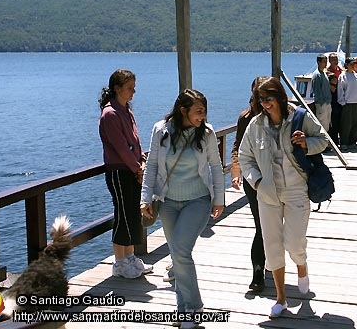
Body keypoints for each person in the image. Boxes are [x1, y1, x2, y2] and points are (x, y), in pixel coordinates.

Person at [238, 77, 328, 319]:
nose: (265, 104)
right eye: (261, 99)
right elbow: (244, 157)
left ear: (279, 96)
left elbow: (324, 140)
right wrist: (256, 181)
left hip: (297, 189)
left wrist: (306, 142)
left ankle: (301, 265)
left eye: (268, 98)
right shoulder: (256, 125)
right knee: (272, 246)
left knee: (294, 242)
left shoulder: (299, 116)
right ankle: (281, 298)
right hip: (267, 193)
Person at [140, 89, 225, 328]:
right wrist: (145, 197)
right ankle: (182, 309)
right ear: (183, 110)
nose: (203, 116)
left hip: (197, 200)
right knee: (177, 255)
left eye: (204, 111)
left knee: (179, 250)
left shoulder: (206, 133)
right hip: (168, 202)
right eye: (199, 111)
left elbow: (216, 168)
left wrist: (219, 199)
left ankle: (194, 308)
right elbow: (152, 166)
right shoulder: (161, 130)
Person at [98, 69, 153, 279]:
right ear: (117, 88)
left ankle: (130, 258)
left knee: (132, 213)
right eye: (130, 87)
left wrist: (142, 162)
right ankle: (120, 262)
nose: (134, 91)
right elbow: (120, 148)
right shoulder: (110, 114)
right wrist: (138, 169)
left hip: (132, 170)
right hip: (119, 172)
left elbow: (135, 143)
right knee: (122, 214)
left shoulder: (126, 111)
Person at [231, 76, 268, 293]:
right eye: (257, 94)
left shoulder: (279, 114)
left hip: (277, 179)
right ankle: (258, 274)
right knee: (260, 226)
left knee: (275, 225)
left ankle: (273, 262)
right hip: (253, 180)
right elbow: (237, 147)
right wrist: (237, 171)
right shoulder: (245, 118)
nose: (260, 99)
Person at [337, 57, 357, 152]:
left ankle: (352, 142)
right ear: (347, 65)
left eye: (354, 64)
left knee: (355, 123)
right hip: (348, 103)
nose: (353, 65)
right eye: (351, 64)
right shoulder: (343, 75)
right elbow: (340, 90)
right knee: (346, 124)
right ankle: (344, 143)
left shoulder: (356, 75)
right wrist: (342, 102)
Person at [311, 54, 332, 131]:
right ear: (318, 62)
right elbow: (317, 90)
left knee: (327, 125)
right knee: (322, 125)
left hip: (327, 103)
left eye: (326, 62)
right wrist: (321, 102)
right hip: (322, 104)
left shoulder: (324, 74)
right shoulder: (317, 75)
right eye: (323, 62)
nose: (325, 64)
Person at [327, 72, 342, 146]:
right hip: (332, 109)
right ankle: (333, 141)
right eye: (333, 79)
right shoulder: (329, 87)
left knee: (337, 126)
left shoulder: (338, 86)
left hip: (338, 109)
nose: (335, 80)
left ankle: (336, 140)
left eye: (336, 79)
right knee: (332, 127)